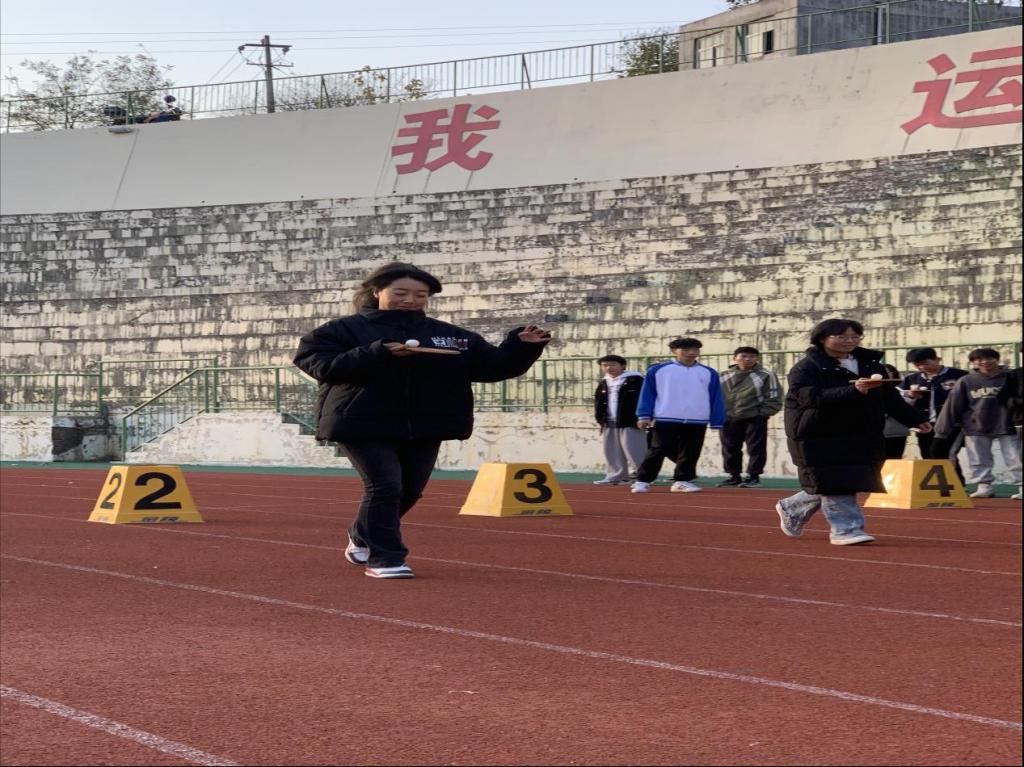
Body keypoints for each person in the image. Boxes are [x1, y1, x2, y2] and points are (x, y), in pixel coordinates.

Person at [293, 262, 551, 579]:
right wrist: (377, 353)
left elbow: (493, 367)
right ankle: (385, 558)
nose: (410, 300)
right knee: (385, 486)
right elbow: (320, 365)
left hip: (426, 424)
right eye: (400, 292)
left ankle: (362, 535)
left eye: (420, 295)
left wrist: (521, 347)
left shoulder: (450, 335)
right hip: (361, 422)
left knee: (409, 491)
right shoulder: (341, 331)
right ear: (377, 291)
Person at [774, 319, 931, 546]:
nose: (849, 341)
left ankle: (793, 507)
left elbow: (889, 398)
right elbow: (808, 397)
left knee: (842, 478)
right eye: (841, 336)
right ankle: (846, 530)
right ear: (822, 338)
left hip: (861, 431)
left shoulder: (870, 365)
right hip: (819, 433)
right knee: (837, 479)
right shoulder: (807, 368)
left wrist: (915, 419)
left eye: (855, 337)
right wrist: (853, 390)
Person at [630, 337, 725, 494]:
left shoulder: (709, 373)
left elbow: (716, 397)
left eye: (695, 349)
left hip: (697, 419)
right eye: (686, 350)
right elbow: (647, 394)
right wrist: (644, 415)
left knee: (691, 451)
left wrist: (717, 420)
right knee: (658, 450)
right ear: (674, 351)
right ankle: (643, 480)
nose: (691, 353)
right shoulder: (658, 370)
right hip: (665, 417)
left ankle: (682, 481)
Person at [935, 348, 1022, 500]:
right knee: (978, 459)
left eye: (989, 358)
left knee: (1016, 458)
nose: (985, 362)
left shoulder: (1011, 377)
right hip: (975, 426)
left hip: (1007, 425)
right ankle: (984, 486)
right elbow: (952, 406)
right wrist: (941, 431)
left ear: (997, 359)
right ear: (973, 362)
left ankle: (1021, 485)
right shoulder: (966, 381)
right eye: (979, 359)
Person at [717, 346, 783, 488]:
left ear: (757, 359)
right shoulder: (722, 376)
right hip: (728, 417)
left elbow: (774, 397)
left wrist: (762, 414)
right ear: (735, 358)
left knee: (756, 448)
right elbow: (714, 396)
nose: (747, 359)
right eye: (743, 356)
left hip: (754, 417)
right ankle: (734, 476)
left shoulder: (766, 375)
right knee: (729, 448)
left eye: (752, 357)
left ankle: (754, 477)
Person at [901, 347, 968, 479]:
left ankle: (955, 484)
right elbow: (902, 402)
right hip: (924, 423)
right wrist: (912, 396)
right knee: (927, 453)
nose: (922, 367)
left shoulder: (959, 375)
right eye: (917, 365)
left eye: (925, 363)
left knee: (946, 453)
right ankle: (938, 484)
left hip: (951, 423)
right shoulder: (912, 379)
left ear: (937, 359)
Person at [593, 355, 646, 486]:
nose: (608, 368)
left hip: (630, 420)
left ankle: (644, 477)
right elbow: (598, 402)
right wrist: (601, 421)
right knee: (612, 450)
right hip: (609, 421)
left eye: (612, 365)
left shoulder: (636, 380)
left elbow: (643, 399)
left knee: (635, 450)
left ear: (623, 366)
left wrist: (643, 417)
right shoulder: (604, 382)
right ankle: (616, 476)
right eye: (605, 365)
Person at [881, 363, 910, 459]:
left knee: (895, 460)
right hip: (880, 432)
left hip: (898, 430)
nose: (885, 374)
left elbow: (907, 407)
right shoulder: (871, 390)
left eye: (888, 372)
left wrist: (913, 397)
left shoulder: (900, 390)